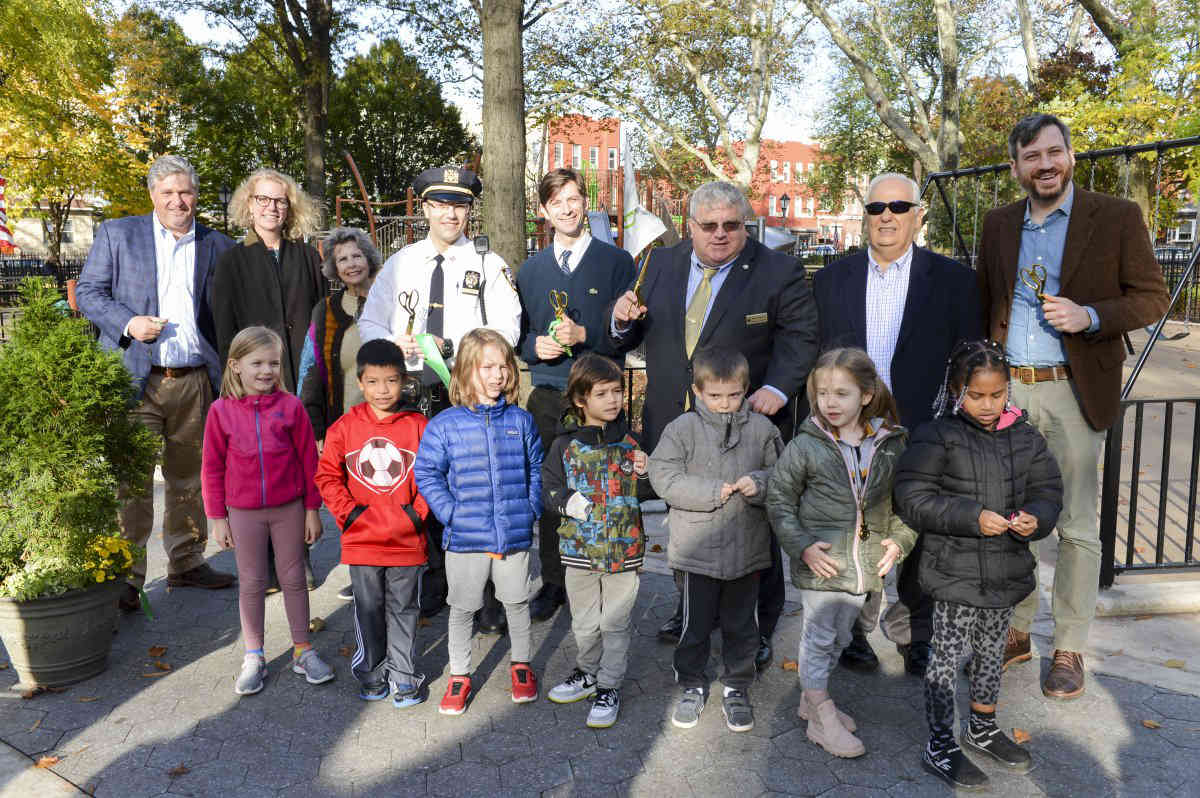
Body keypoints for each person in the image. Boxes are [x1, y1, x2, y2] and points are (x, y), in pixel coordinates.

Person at [977, 114, 1168, 699]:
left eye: (1053, 152)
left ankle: (1068, 646)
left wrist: (1089, 316)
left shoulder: (1115, 217)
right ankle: (1016, 632)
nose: (1045, 164)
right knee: (1010, 517)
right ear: (1016, 166)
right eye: (1032, 156)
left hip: (1073, 388)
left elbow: (1153, 298)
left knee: (1078, 526)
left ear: (1070, 156)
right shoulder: (998, 223)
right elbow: (985, 301)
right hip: (1008, 392)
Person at [610, 180, 819, 669]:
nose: (720, 234)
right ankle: (692, 612)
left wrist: (778, 388)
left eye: (731, 225)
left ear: (744, 225)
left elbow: (803, 339)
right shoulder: (659, 263)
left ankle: (758, 627)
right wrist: (620, 319)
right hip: (675, 422)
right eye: (709, 226)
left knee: (753, 527)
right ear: (690, 226)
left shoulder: (778, 271)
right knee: (687, 522)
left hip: (743, 424)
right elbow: (629, 333)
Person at [812, 173, 982, 676]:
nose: (886, 216)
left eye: (899, 207)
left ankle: (915, 633)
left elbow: (968, 360)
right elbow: (815, 357)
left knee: (920, 534)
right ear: (865, 215)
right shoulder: (831, 280)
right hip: (852, 431)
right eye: (876, 208)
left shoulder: (954, 281)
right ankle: (853, 632)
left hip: (923, 429)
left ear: (918, 215)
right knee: (856, 530)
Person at [893, 339, 1063, 790]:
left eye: (997, 394)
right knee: (946, 656)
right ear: (956, 390)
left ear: (1008, 389)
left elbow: (1048, 490)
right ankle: (939, 743)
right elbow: (912, 497)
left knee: (991, 652)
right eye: (976, 395)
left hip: (1006, 570)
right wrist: (971, 517)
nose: (988, 405)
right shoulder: (936, 435)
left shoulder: (1026, 436)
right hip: (953, 571)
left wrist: (1037, 517)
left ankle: (982, 727)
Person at [360, 166, 521, 632]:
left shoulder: (489, 264)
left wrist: (459, 347)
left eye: (459, 205)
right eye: (441, 205)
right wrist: (393, 343)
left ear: (469, 210)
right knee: (420, 487)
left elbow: (509, 328)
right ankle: (433, 579)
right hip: (414, 394)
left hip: (467, 395)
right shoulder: (401, 263)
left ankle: (486, 594)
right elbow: (369, 323)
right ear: (426, 209)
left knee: (477, 489)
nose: (450, 214)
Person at [77, 154, 236, 610]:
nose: (177, 201)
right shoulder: (118, 234)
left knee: (190, 477)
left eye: (185, 192)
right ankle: (127, 575)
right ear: (152, 195)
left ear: (196, 195)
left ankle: (186, 561)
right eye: (167, 192)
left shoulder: (218, 245)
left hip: (194, 380)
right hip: (136, 378)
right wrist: (128, 323)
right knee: (132, 481)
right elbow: (88, 293)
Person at [767, 347, 917, 758]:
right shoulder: (806, 446)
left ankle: (811, 699)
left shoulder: (890, 443)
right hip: (823, 562)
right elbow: (779, 499)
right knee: (819, 638)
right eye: (822, 393)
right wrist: (802, 546)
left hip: (866, 565)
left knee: (842, 637)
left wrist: (900, 541)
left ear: (866, 395)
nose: (830, 403)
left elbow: (907, 503)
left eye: (841, 393)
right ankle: (820, 714)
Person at [518, 167, 636, 625]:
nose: (566, 209)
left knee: (607, 489)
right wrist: (536, 346)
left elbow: (632, 333)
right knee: (553, 491)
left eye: (573, 199)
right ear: (543, 211)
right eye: (556, 202)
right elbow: (520, 335)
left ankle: (609, 570)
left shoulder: (616, 262)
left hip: (601, 397)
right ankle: (554, 579)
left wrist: (586, 334)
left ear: (585, 202)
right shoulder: (530, 270)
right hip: (549, 395)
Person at [648, 346, 783, 734]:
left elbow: (784, 475)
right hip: (697, 552)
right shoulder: (682, 429)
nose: (725, 404)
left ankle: (737, 685)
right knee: (695, 625)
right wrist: (709, 491)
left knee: (743, 625)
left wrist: (759, 483)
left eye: (734, 395)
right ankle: (692, 683)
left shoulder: (763, 430)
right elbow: (663, 476)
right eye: (715, 395)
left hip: (748, 550)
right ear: (697, 391)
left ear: (746, 389)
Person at [413, 329, 544, 715]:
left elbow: (536, 467)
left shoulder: (520, 421)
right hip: (465, 537)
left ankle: (521, 665)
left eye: (503, 366)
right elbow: (427, 473)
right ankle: (459, 674)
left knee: (516, 603)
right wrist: (450, 513)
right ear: (466, 370)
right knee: (462, 608)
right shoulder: (445, 425)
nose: (498, 374)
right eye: (487, 366)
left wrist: (531, 508)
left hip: (513, 534)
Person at [201, 326, 334, 695]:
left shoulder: (291, 408)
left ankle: (302, 649)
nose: (266, 371)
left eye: (273, 363)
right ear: (235, 365)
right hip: (243, 513)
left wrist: (312, 509)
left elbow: (309, 462)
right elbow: (211, 467)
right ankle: (254, 655)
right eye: (257, 363)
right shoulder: (220, 412)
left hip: (289, 508)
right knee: (252, 582)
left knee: (294, 579)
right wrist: (217, 518)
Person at [314, 339, 431, 707]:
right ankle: (372, 673)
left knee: (404, 609)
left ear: (404, 381)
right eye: (374, 382)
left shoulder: (419, 426)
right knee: (368, 609)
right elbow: (327, 476)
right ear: (360, 383)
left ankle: (404, 676)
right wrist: (351, 515)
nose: (383, 390)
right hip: (363, 541)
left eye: (392, 381)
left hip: (407, 541)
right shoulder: (344, 428)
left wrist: (415, 515)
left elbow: (433, 476)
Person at [542, 354, 647, 729]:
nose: (613, 400)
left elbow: (648, 490)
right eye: (602, 393)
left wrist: (646, 473)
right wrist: (568, 502)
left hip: (623, 551)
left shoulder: (631, 442)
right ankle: (587, 672)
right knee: (585, 623)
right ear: (580, 399)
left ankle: (609, 685)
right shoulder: (564, 445)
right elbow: (548, 487)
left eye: (617, 391)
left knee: (615, 624)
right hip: (579, 552)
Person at [295, 227, 395, 604]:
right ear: (333, 268)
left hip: (388, 419)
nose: (351, 264)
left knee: (389, 497)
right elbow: (312, 370)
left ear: (369, 258)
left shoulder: (391, 300)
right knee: (352, 501)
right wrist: (317, 425)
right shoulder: (326, 311)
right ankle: (364, 574)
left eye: (356, 256)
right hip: (345, 422)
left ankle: (397, 572)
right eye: (342, 259)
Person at [211, 168, 327, 393]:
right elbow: (225, 333)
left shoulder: (309, 257)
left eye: (280, 201)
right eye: (263, 199)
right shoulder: (231, 261)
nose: (272, 207)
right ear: (249, 204)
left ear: (289, 207)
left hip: (306, 380)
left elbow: (322, 320)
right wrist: (235, 386)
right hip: (255, 383)